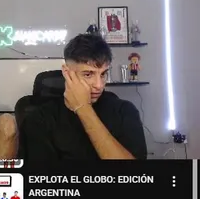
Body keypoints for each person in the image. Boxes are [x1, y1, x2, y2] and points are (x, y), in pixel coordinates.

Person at [17, 33, 148, 160]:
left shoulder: (124, 111)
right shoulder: (40, 119)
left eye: (103, 74)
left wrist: (83, 108)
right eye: (88, 74)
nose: (99, 85)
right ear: (67, 72)